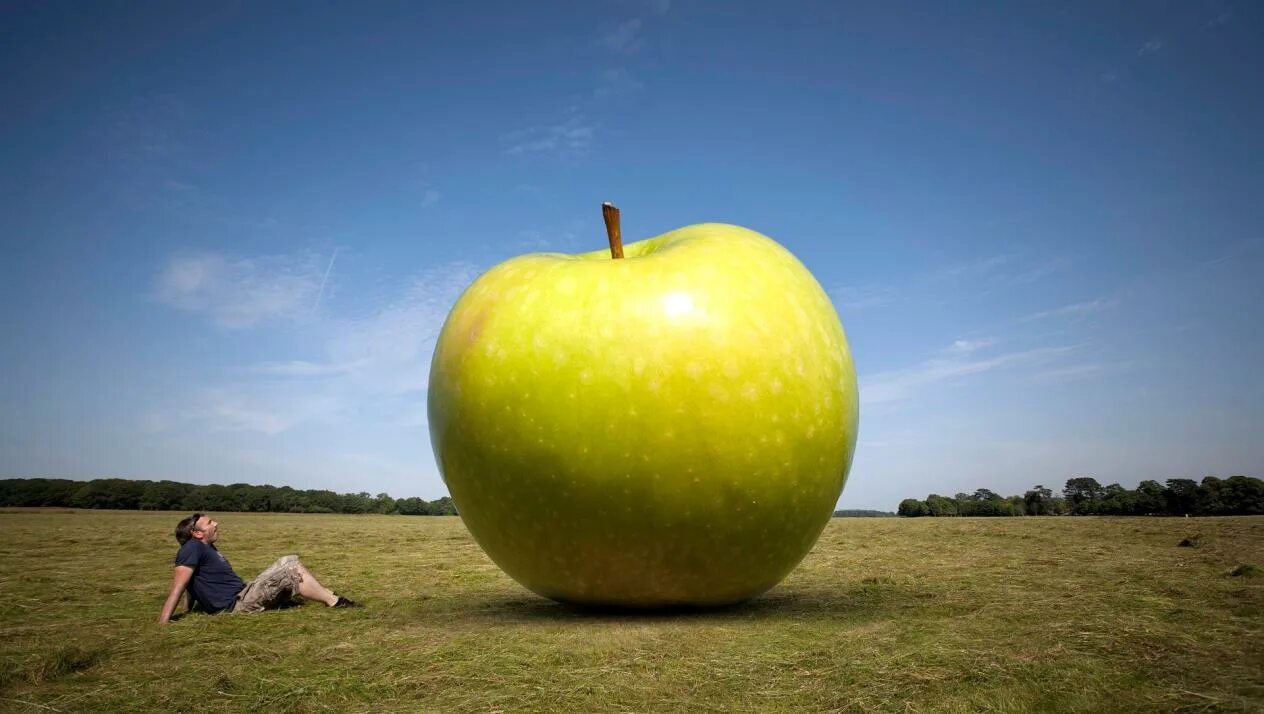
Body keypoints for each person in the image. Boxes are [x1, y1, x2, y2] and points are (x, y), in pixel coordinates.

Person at [158, 513, 359, 624]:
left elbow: (192, 584)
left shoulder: (203, 548)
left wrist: (189, 610)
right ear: (197, 533)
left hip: (243, 594)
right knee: (291, 567)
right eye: (210, 523)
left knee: (288, 560)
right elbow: (180, 585)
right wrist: (163, 623)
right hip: (238, 604)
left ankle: (328, 596)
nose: (216, 523)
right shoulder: (191, 549)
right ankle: (334, 601)